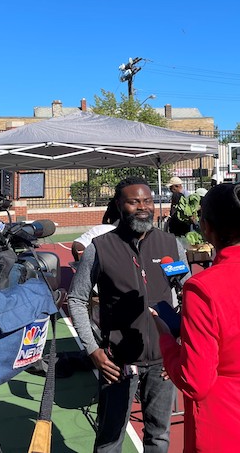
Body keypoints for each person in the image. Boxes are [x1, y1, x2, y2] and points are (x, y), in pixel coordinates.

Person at [153, 183, 240, 453]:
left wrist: (166, 339)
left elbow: (195, 382)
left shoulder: (202, 288)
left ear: (206, 228)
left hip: (226, 426)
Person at [68, 176, 189, 452]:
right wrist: (92, 350)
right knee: (110, 439)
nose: (143, 207)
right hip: (116, 362)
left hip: (162, 360)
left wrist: (181, 345)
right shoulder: (100, 247)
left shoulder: (170, 245)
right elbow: (76, 299)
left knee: (158, 436)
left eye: (147, 201)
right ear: (119, 205)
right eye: (134, 202)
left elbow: (188, 294)